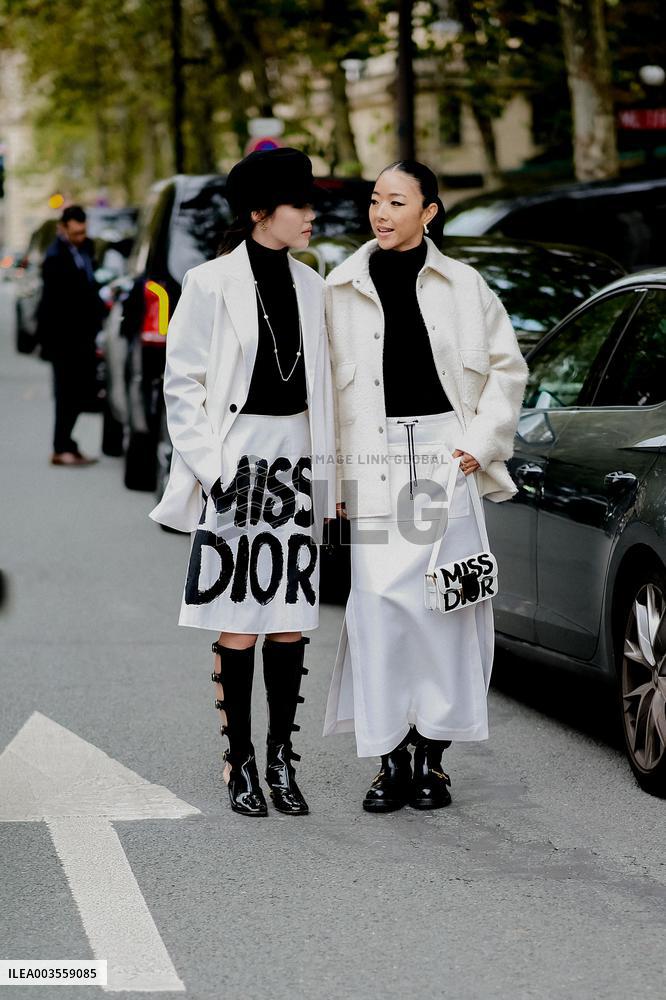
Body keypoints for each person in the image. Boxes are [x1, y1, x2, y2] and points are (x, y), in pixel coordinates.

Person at [322, 160, 528, 812]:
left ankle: (432, 759)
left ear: (429, 211)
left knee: (447, 605)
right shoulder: (340, 286)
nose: (381, 213)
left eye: (396, 201)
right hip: (377, 460)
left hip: (444, 456)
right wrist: (334, 482)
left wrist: (477, 444)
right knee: (380, 609)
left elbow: (507, 368)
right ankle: (389, 759)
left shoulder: (464, 286)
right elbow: (324, 393)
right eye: (376, 201)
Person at [150, 148, 336, 818]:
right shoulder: (207, 284)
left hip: (295, 460)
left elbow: (328, 394)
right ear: (262, 212)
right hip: (237, 458)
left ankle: (283, 758)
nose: (312, 215)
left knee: (289, 619)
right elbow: (183, 386)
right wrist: (215, 471)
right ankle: (242, 761)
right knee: (239, 620)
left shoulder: (315, 285)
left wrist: (331, 480)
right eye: (300, 205)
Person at [36, 205, 105, 466]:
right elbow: (59, 303)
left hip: (84, 335)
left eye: (83, 232)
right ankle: (61, 447)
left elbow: (89, 283)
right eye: (75, 233)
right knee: (66, 394)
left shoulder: (86, 248)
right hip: (64, 338)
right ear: (62, 228)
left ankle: (68, 444)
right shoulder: (55, 257)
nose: (80, 237)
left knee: (79, 393)